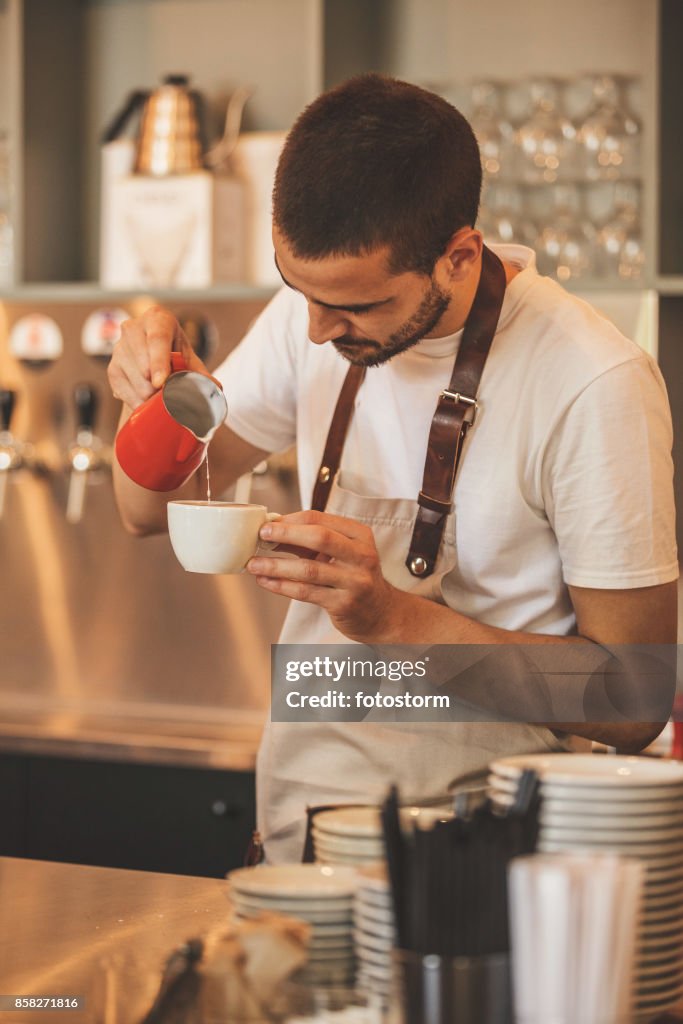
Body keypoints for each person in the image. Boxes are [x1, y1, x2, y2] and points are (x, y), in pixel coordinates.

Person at [108, 73, 678, 863]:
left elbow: (634, 698)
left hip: (485, 864)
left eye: (354, 308)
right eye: (295, 289)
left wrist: (394, 621)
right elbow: (141, 512)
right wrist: (158, 394)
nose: (312, 330)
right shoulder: (314, 307)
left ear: (457, 256)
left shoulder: (591, 381)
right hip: (302, 841)